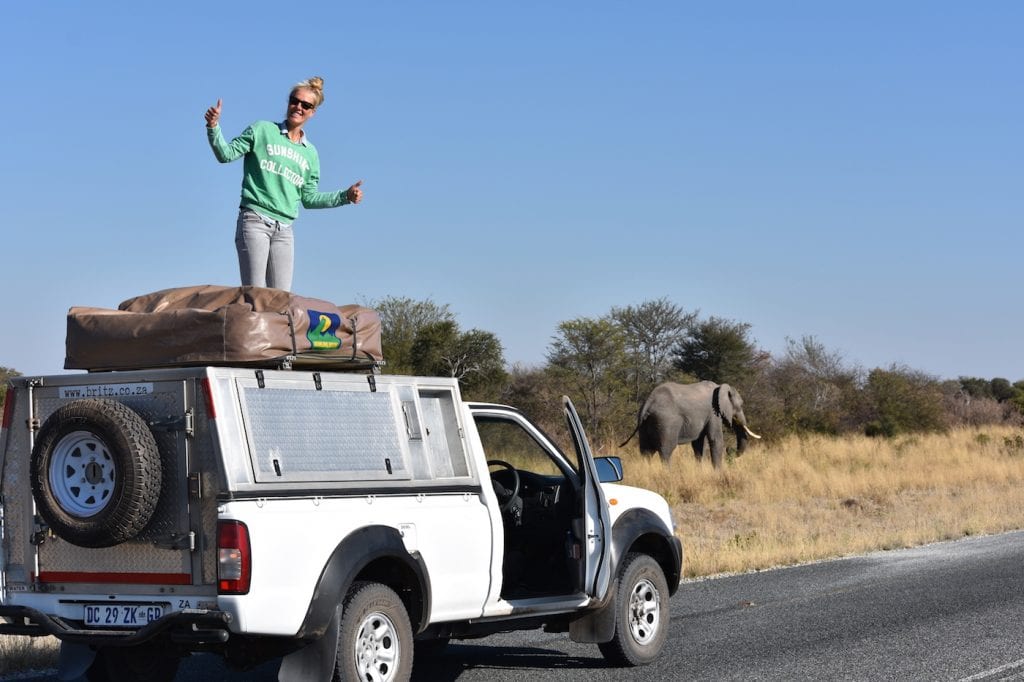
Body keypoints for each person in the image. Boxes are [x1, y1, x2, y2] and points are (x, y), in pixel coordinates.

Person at [204, 76, 362, 291]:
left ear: (313, 112)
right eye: (294, 101)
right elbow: (225, 154)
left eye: (306, 105)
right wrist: (213, 127)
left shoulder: (310, 153)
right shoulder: (262, 130)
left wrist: (345, 197)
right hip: (255, 221)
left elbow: (308, 198)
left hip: (284, 231)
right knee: (256, 296)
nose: (298, 107)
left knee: (281, 300)